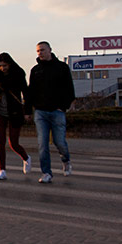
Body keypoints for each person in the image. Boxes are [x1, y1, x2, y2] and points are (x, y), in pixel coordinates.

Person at [27, 41, 75, 184]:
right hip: (40, 112)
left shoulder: (62, 67)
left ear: (50, 50)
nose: (40, 53)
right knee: (42, 144)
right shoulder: (35, 70)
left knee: (59, 142)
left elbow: (69, 88)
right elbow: (30, 92)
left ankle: (65, 160)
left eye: (42, 50)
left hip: (57, 111)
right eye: (38, 51)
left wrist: (64, 106)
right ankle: (46, 172)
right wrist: (28, 110)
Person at [0, 52, 31, 180]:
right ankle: (2, 170)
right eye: (0, 66)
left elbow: (26, 92)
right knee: (0, 141)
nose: (2, 68)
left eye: (5, 65)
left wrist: (27, 111)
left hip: (14, 111)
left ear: (10, 64)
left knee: (13, 143)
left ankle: (26, 158)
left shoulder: (18, 74)